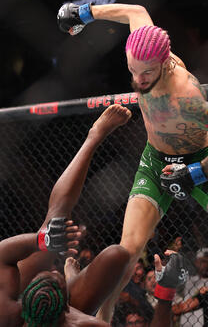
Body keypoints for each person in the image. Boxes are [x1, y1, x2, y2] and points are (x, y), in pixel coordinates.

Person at [57, 2, 208, 322]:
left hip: (199, 161)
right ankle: (102, 321)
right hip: (155, 160)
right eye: (132, 70)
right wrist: (85, 12)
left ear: (165, 63)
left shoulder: (186, 98)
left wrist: (198, 171)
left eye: (146, 72)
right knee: (127, 251)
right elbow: (134, 11)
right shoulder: (144, 44)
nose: (138, 80)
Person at [0, 104, 132, 326]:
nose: (53, 269)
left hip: (39, 311)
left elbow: (2, 254)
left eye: (50, 275)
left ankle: (94, 136)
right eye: (58, 279)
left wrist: (42, 240)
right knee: (116, 256)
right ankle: (68, 277)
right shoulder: (79, 322)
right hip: (57, 314)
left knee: (56, 221)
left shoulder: (6, 312)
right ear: (66, 310)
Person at [174, 247, 208, 327]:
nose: (205, 265)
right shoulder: (188, 280)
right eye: (202, 261)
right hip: (185, 322)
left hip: (204, 323)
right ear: (196, 262)